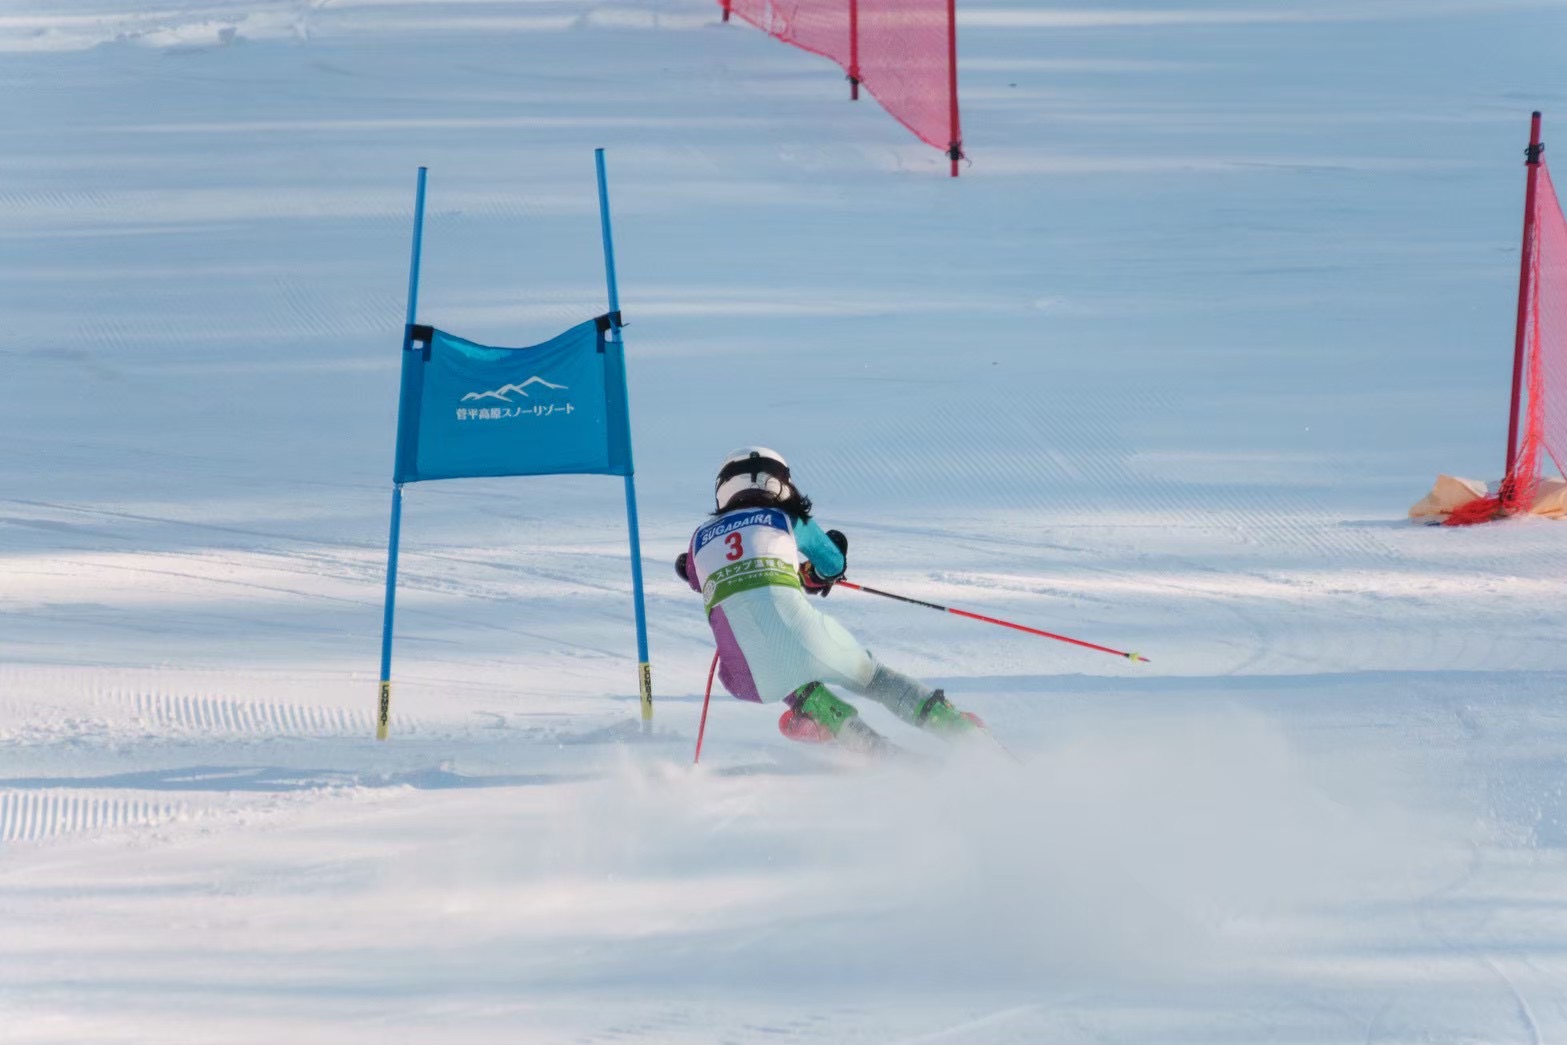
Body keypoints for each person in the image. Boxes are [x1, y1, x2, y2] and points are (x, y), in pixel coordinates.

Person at [676, 447, 982, 754]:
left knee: (772, 664)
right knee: (871, 677)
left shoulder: (699, 537)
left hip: (745, 679)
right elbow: (831, 564)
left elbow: (694, 574)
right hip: (809, 640)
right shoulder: (786, 518)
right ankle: (951, 723)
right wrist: (814, 574)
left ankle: (834, 721)